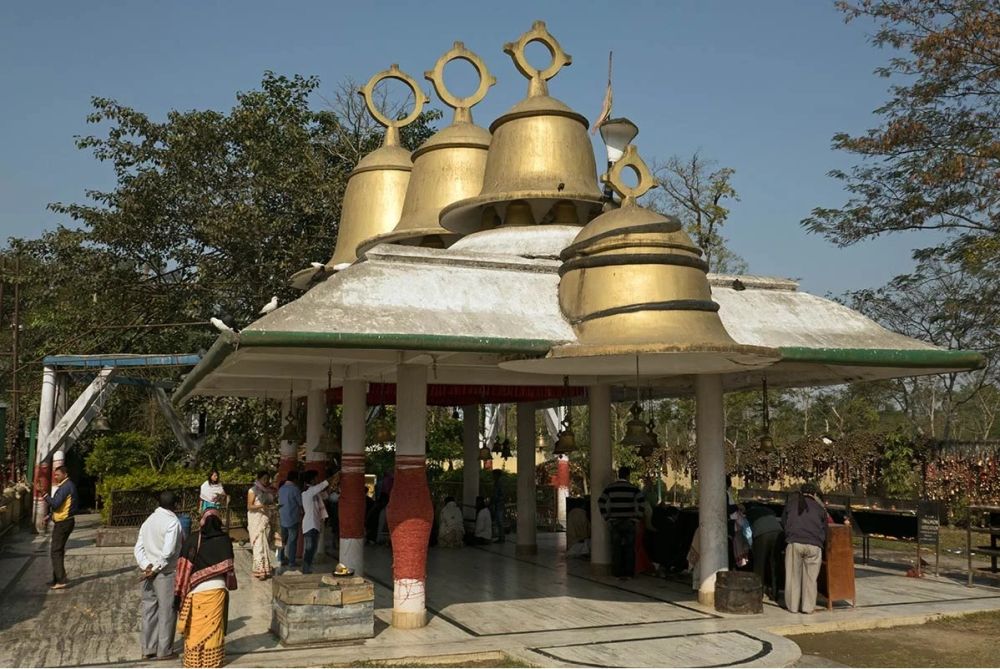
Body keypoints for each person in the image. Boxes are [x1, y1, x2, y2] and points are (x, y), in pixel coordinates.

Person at [174, 511, 236, 668]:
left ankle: (194, 661)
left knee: (196, 628)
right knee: (214, 628)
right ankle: (212, 661)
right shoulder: (225, 539)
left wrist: (178, 594)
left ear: (202, 522)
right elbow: (229, 566)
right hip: (218, 590)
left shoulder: (194, 539)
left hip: (197, 591)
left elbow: (183, 567)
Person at [134, 491, 183, 660]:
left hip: (148, 571)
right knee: (167, 611)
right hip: (164, 573)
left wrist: (146, 565)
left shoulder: (149, 521)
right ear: (174, 505)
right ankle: (164, 650)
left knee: (149, 609)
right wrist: (155, 568)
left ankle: (147, 648)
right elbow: (168, 552)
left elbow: (138, 548)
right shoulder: (172, 523)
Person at [782, 482, 828, 614]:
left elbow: (784, 521)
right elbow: (825, 528)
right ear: (814, 494)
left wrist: (789, 535)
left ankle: (793, 607)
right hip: (815, 545)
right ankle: (807, 608)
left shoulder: (791, 504)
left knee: (793, 576)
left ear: (801, 493)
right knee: (811, 579)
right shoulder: (820, 508)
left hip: (795, 543)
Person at [598, 466, 645, 579]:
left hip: (615, 522)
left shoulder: (611, 488)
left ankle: (617, 572)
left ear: (619, 475)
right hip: (629, 522)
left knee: (616, 548)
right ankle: (628, 572)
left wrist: (606, 517)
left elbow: (601, 501)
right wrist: (637, 518)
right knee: (629, 548)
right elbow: (642, 503)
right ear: (628, 475)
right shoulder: (633, 488)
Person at [46, 466, 78, 589]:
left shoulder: (66, 487)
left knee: (56, 551)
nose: (55, 477)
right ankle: (57, 578)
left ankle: (61, 580)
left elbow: (55, 503)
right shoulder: (67, 486)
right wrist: (50, 515)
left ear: (65, 474)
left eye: (58, 474)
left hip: (63, 523)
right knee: (58, 550)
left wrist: (44, 495)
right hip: (66, 521)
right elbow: (60, 506)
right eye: (55, 475)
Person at [301, 470, 337, 574]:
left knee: (313, 548)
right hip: (309, 525)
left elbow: (325, 494)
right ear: (311, 479)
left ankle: (308, 568)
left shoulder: (315, 493)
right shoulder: (307, 493)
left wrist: (332, 485)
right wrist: (333, 477)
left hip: (315, 524)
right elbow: (321, 486)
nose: (317, 480)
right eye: (316, 478)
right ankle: (306, 569)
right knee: (309, 548)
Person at [746, 504, 784, 601]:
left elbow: (746, 530)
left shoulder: (749, 512)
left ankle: (758, 593)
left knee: (759, 564)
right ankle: (775, 594)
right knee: (775, 564)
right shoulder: (768, 511)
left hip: (762, 534)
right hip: (778, 532)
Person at [246, 470, 275, 580]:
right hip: (256, 520)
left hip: (265, 519)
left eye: (268, 479)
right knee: (258, 545)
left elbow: (270, 503)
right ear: (259, 479)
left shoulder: (268, 491)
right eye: (264, 479)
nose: (266, 481)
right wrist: (261, 506)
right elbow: (249, 506)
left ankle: (266, 568)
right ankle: (259, 570)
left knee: (264, 544)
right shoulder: (253, 490)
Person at [277, 471, 303, 571]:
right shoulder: (295, 489)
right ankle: (292, 561)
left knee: (282, 539)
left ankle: (281, 558)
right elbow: (300, 503)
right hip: (292, 518)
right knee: (292, 541)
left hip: (282, 516)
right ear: (295, 479)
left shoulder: (281, 488)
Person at [490, 469, 506, 544]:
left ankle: (501, 537)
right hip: (498, 504)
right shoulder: (497, 483)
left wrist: (494, 500)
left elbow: (499, 495)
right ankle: (500, 537)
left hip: (499, 504)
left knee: (500, 521)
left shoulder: (499, 483)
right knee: (498, 521)